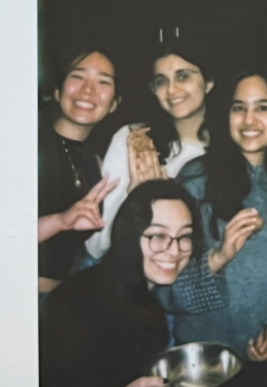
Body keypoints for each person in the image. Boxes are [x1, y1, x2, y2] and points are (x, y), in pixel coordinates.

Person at [159, 72, 267, 387]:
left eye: (263, 108)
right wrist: (218, 258)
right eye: (239, 108)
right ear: (225, 116)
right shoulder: (195, 180)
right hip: (200, 370)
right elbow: (164, 292)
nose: (250, 120)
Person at [39, 180, 207, 387]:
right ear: (130, 235)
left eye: (185, 236)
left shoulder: (147, 300)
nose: (174, 251)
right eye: (158, 235)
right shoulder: (82, 300)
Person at [85, 38, 214, 260]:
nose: (172, 89)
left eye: (183, 76)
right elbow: (96, 246)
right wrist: (134, 196)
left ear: (208, 82)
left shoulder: (224, 154)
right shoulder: (132, 140)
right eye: (161, 81)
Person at [38, 50, 120, 291]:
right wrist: (60, 221)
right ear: (57, 91)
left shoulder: (94, 161)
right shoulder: (26, 145)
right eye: (78, 76)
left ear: (114, 103)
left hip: (63, 301)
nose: (88, 90)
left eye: (103, 81)